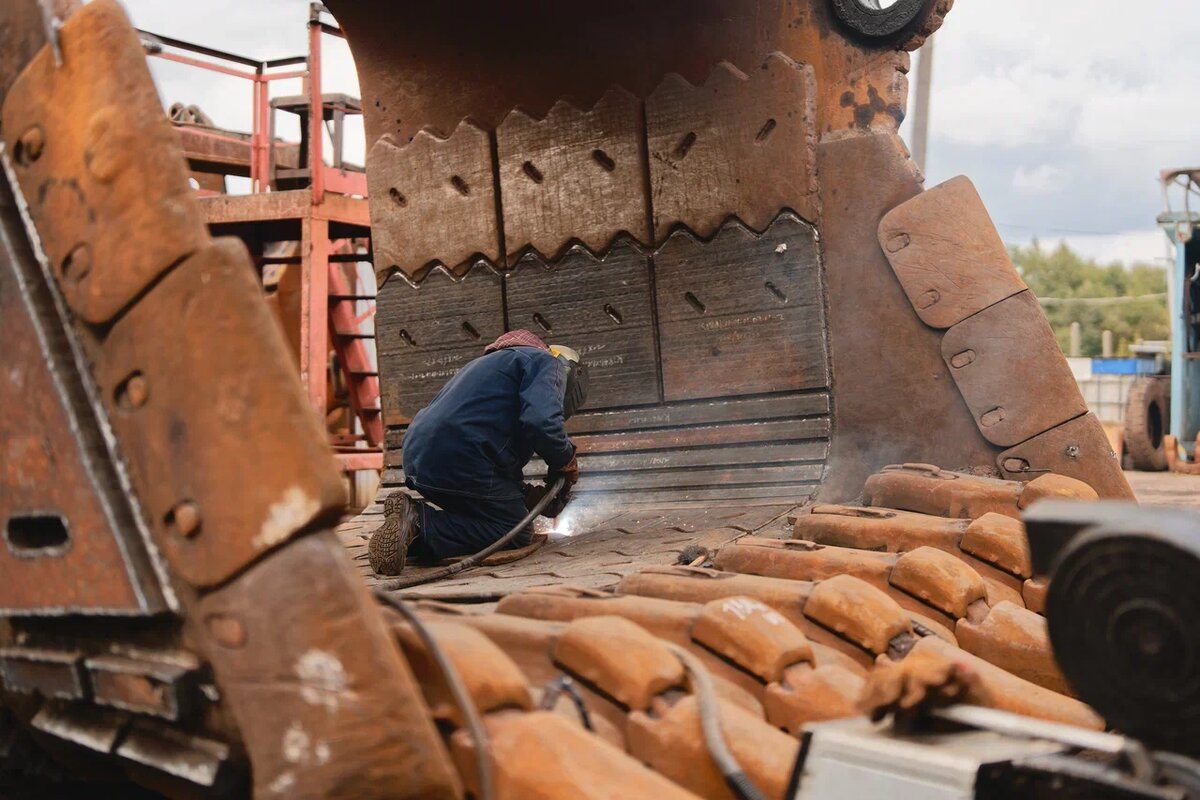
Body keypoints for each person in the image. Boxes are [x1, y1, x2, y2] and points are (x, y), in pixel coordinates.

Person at [368, 329, 588, 575]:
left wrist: (522, 496)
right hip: (463, 457)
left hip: (419, 460)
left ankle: (408, 533)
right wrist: (565, 460)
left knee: (481, 516)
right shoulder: (546, 362)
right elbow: (542, 422)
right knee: (513, 529)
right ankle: (420, 521)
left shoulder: (489, 366)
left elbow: (492, 459)